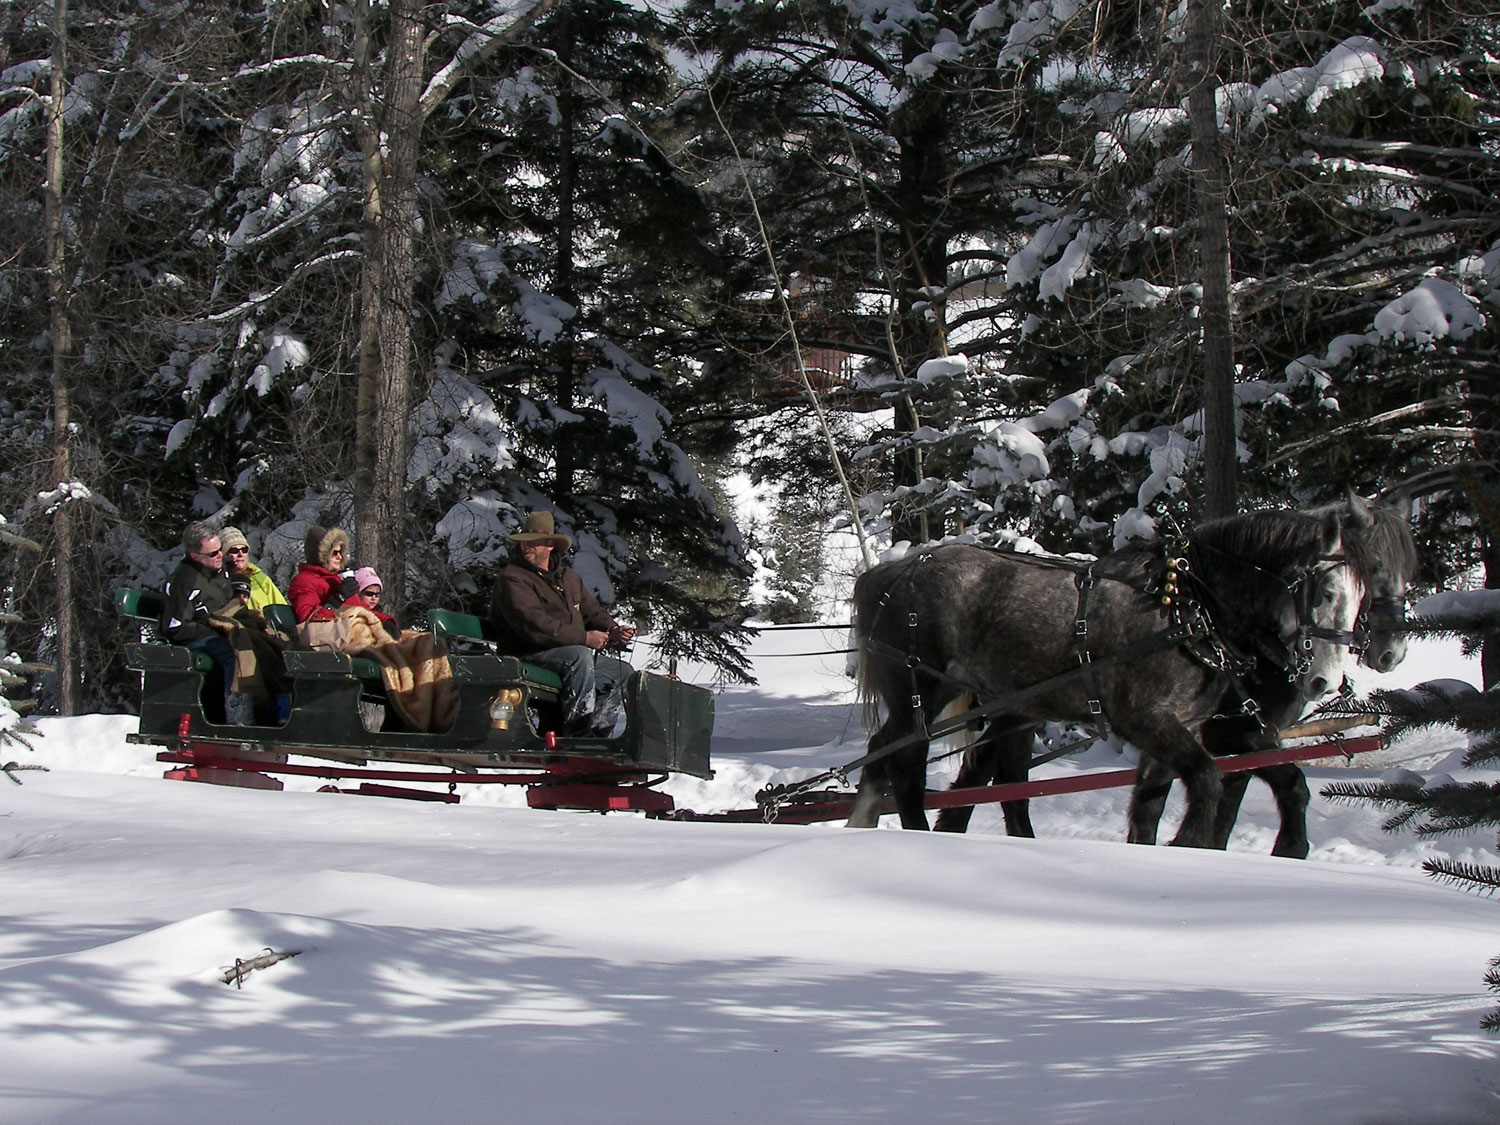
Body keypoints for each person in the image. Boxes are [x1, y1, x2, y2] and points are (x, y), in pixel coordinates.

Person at [489, 510, 636, 738]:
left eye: (534, 543)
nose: (527, 548)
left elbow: (592, 612)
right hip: (528, 653)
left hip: (565, 655)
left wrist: (613, 630)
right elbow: (534, 625)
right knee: (579, 656)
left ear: (549, 545)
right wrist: (585, 638)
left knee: (623, 672)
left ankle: (598, 734)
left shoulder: (568, 578)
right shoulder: (513, 579)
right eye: (524, 543)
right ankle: (577, 734)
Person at [161, 521, 239, 723]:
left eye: (220, 550)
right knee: (237, 653)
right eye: (213, 554)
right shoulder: (186, 581)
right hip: (201, 639)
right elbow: (174, 627)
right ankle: (235, 712)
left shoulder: (217, 571)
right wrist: (211, 630)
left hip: (224, 629)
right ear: (195, 556)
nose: (220, 555)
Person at [288, 525, 352, 623]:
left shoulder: (336, 579)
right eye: (334, 553)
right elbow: (308, 621)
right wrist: (335, 602)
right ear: (321, 555)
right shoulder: (305, 581)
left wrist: (384, 620)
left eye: (340, 552)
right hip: (335, 635)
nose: (339, 557)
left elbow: (363, 610)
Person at [219, 526, 288, 613]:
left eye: (244, 550)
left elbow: (282, 608)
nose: (240, 554)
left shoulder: (259, 577)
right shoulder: (219, 582)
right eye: (234, 550)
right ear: (224, 554)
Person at [343, 566, 401, 640]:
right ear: (358, 593)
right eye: (369, 593)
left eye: (377, 594)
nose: (374, 598)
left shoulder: (378, 614)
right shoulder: (350, 612)